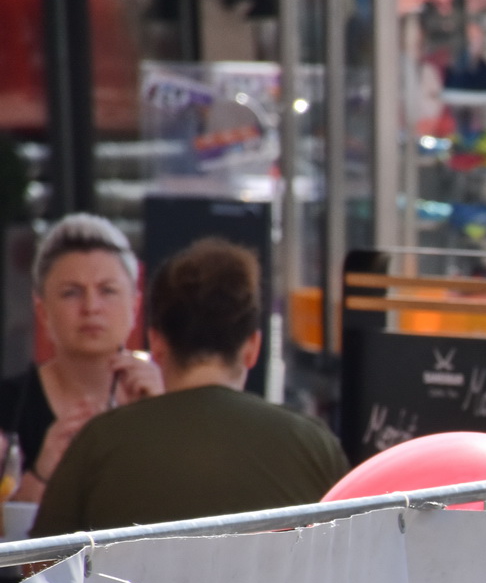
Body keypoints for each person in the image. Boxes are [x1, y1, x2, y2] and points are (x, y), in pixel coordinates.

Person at [32, 239, 348, 535]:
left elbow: (43, 568)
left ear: (156, 343)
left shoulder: (99, 442)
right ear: (252, 348)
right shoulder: (314, 445)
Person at [0, 214, 162, 505]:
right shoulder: (8, 408)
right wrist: (42, 472)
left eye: (107, 291)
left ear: (135, 306)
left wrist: (164, 418)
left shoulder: (163, 397)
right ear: (43, 310)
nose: (91, 307)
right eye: (71, 293)